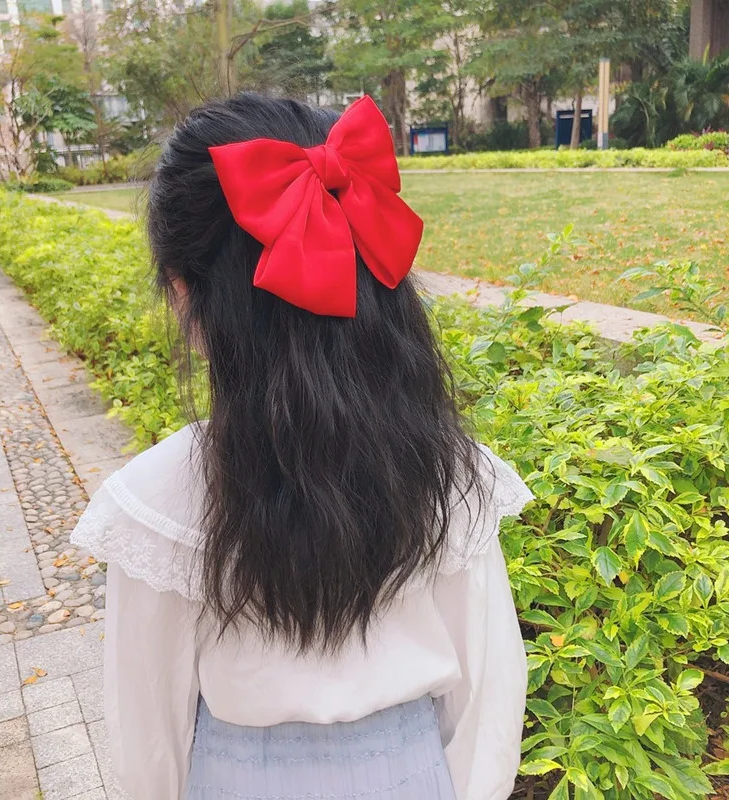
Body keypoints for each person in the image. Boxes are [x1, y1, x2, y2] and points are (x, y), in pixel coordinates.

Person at [71, 93, 532, 800]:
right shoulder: (448, 472)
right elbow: (488, 694)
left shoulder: (160, 499)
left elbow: (148, 739)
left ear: (185, 294)